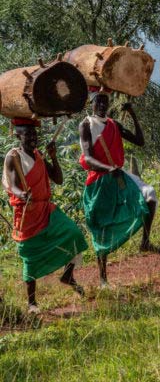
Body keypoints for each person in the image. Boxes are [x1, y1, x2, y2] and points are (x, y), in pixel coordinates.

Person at [79, 88, 160, 289]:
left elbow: (139, 141)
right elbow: (88, 158)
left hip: (119, 176)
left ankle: (145, 242)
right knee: (102, 227)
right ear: (92, 103)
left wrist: (133, 114)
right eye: (98, 101)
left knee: (149, 195)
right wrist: (108, 168)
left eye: (104, 101)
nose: (101, 104)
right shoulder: (86, 125)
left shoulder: (114, 124)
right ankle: (103, 278)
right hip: (99, 181)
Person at [3, 118, 87, 313]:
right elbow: (13, 184)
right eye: (28, 134)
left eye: (34, 134)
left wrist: (54, 156)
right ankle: (32, 302)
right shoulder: (13, 157)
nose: (33, 138)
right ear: (18, 135)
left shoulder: (39, 155)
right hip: (27, 212)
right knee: (30, 255)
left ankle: (67, 275)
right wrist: (21, 194)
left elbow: (58, 179)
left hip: (46, 210)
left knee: (73, 233)